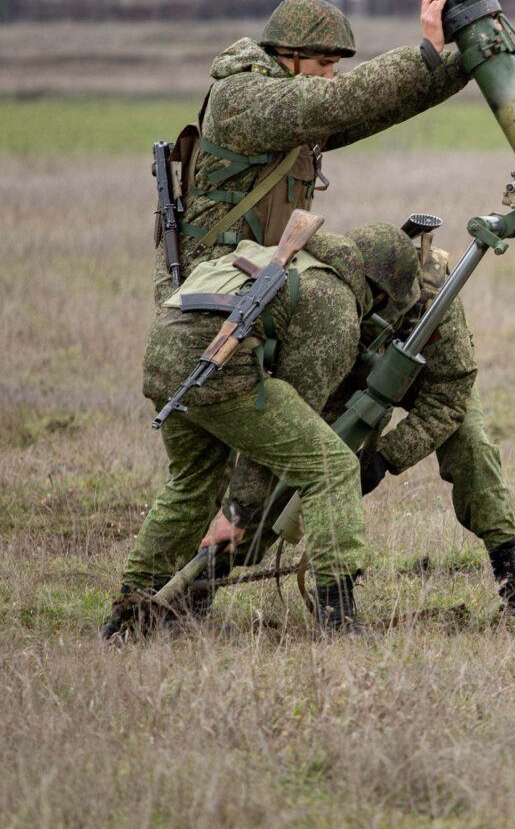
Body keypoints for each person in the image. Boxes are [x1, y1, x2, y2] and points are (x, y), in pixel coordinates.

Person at [105, 222, 422, 638]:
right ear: (380, 291)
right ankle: (338, 616)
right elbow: (296, 418)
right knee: (331, 466)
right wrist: (240, 513)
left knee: (193, 481)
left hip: (166, 358)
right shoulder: (335, 303)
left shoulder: (291, 257)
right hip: (217, 367)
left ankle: (131, 608)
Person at [220, 237, 515, 618]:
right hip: (351, 374)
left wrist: (386, 458)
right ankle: (206, 573)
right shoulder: (332, 291)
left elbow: (450, 394)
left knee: (472, 447)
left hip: (434, 381)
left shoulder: (435, 300)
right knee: (302, 461)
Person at [155, 0, 468, 304]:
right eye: (323, 63)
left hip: (263, 265)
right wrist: (426, 52)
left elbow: (379, 108)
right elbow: (335, 99)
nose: (330, 75)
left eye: (334, 65)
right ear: (290, 54)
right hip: (216, 270)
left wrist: (464, 64)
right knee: (334, 294)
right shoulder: (241, 96)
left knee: (420, 281)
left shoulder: (292, 106)